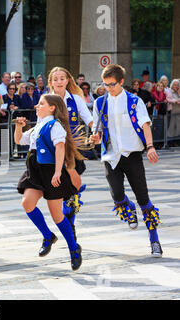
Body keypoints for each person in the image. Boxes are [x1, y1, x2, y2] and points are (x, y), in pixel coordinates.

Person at [90, 64, 163, 257]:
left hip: (132, 155)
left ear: (121, 82)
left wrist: (150, 147)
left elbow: (145, 124)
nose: (108, 88)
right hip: (111, 156)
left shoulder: (134, 101)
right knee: (117, 197)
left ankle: (154, 240)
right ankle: (128, 207)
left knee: (144, 200)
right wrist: (95, 137)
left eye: (111, 84)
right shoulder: (100, 103)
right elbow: (97, 128)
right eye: (105, 84)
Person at [14, 94, 83, 271]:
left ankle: (73, 248)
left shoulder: (55, 125)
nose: (37, 106)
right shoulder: (37, 126)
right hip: (35, 171)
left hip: (51, 171)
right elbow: (19, 140)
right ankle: (47, 235)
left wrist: (58, 172)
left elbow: (60, 148)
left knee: (57, 215)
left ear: (52, 108)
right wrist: (18, 127)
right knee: (27, 203)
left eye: (41, 104)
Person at [48, 67, 93, 240]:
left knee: (72, 189)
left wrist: (96, 131)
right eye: (55, 79)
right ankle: (65, 225)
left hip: (73, 148)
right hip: (54, 148)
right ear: (51, 82)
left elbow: (89, 118)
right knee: (61, 189)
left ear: (68, 80)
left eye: (62, 78)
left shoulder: (75, 99)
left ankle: (70, 224)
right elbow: (40, 124)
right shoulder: (46, 100)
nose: (59, 82)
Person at [167, 79, 180, 143]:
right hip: (172, 113)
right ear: (172, 85)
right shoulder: (170, 91)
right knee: (171, 128)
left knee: (178, 128)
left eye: (177, 85)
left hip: (178, 113)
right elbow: (169, 99)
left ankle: (176, 142)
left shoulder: (178, 92)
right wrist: (176, 101)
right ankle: (170, 142)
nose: (176, 86)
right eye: (175, 85)